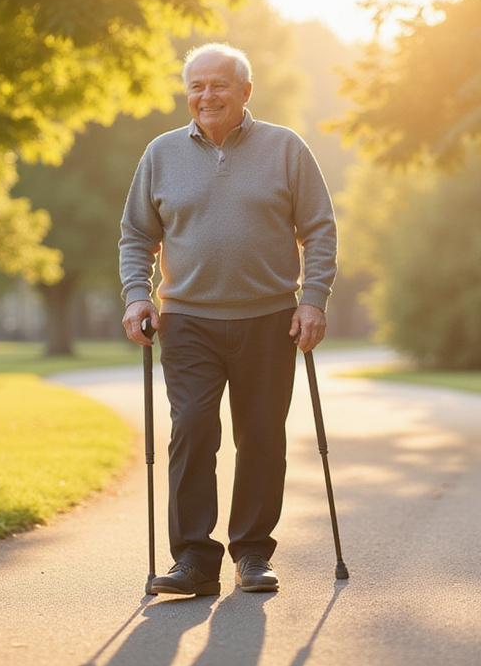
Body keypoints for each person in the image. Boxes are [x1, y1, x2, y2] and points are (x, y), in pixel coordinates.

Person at [119, 43, 337, 596]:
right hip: (188, 319)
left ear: (245, 91)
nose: (206, 96)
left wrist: (313, 298)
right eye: (196, 86)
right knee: (192, 428)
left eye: (218, 85)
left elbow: (319, 228)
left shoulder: (286, 148)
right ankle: (193, 559)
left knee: (262, 435)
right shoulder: (161, 153)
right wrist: (136, 296)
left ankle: (253, 554)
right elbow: (139, 235)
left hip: (269, 317)